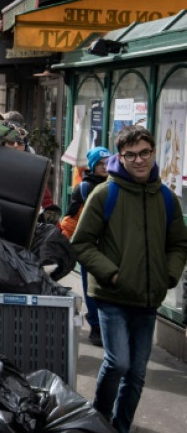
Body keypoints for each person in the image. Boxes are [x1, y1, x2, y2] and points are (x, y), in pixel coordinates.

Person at [71, 126, 187, 433]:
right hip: (112, 296)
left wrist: (170, 275)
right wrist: (112, 273)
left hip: (148, 299)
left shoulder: (166, 198)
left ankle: (120, 428)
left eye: (144, 153)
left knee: (136, 374)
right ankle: (98, 421)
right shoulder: (105, 193)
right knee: (118, 362)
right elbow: (82, 243)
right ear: (120, 157)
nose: (138, 160)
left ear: (153, 153)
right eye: (130, 155)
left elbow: (179, 244)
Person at [60, 146, 111, 347]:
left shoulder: (116, 185)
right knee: (91, 288)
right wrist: (65, 241)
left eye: (107, 162)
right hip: (90, 246)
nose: (105, 167)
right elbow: (71, 218)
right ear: (92, 166)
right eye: (100, 163)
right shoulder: (84, 188)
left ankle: (107, 325)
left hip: (110, 246)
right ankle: (96, 326)